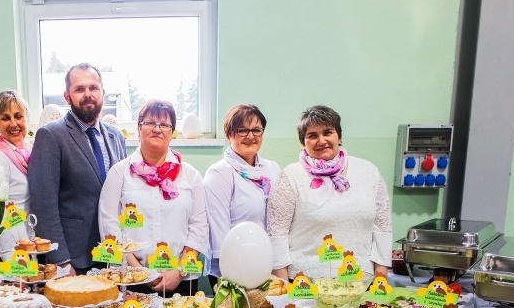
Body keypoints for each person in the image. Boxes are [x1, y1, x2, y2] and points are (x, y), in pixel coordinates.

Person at [266, 105, 392, 280]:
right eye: (312, 136)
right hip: (305, 287)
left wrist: (380, 281)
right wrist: (283, 286)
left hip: (362, 285)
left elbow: (382, 228)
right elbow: (277, 236)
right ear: (303, 143)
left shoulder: (368, 172)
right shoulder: (291, 176)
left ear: (339, 137)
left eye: (328, 132)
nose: (321, 140)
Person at [99, 100, 208, 296]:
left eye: (164, 125)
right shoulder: (119, 173)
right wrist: (140, 273)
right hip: (131, 278)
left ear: (172, 132)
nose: (157, 129)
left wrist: (179, 271)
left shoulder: (190, 175)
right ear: (138, 128)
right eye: (150, 123)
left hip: (180, 280)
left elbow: (199, 227)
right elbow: (109, 226)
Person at [27, 63, 127, 275]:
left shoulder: (116, 136)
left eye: (93, 88)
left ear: (102, 92)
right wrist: (61, 261)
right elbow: (44, 205)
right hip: (75, 259)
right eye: (79, 89)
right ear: (67, 96)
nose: (88, 94)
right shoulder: (51, 135)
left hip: (112, 256)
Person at [204, 104, 281, 286]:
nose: (250, 136)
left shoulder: (273, 169)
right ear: (229, 134)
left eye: (256, 130)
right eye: (242, 130)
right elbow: (219, 235)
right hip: (233, 269)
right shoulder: (219, 173)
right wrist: (234, 275)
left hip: (268, 265)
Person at [0, 89, 32, 260]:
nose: (13, 124)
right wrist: (11, 258)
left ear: (27, 117)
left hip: (32, 242)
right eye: (5, 118)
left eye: (18, 116)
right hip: (14, 250)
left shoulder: (32, 150)